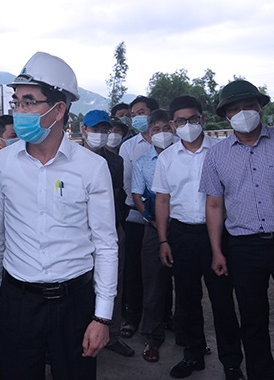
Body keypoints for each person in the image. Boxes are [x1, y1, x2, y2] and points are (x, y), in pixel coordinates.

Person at [0, 51, 118, 379]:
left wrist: (102, 318)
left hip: (75, 302)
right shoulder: (0, 164)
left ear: (58, 110)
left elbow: (106, 244)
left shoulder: (92, 167)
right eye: (16, 102)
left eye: (30, 102)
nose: (19, 111)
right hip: (18, 301)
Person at [154, 95, 244, 379]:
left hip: (217, 235)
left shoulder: (221, 151)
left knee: (222, 300)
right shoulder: (167, 158)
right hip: (181, 234)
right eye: (180, 121)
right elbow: (162, 201)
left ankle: (231, 363)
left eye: (193, 119)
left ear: (203, 119)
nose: (188, 125)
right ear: (172, 124)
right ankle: (193, 354)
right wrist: (164, 240)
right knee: (187, 299)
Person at [200, 79, 274, 380]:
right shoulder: (217, 155)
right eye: (235, 109)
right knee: (253, 320)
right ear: (226, 116)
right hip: (244, 246)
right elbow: (214, 205)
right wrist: (217, 251)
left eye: (249, 106)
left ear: (260, 107)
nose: (243, 113)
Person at [81, 110, 134, 358]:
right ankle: (79, 335)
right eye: (96, 129)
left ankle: (110, 334)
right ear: (83, 130)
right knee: (81, 284)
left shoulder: (115, 161)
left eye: (105, 130)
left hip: (112, 227)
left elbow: (119, 195)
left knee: (114, 280)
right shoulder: (73, 159)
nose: (101, 135)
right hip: (80, 232)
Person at [130, 109, 175, 363]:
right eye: (155, 130)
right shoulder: (143, 162)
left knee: (188, 284)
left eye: (165, 129)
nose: (161, 134)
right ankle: (152, 337)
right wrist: (148, 214)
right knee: (154, 283)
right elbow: (137, 193)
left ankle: (189, 336)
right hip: (152, 227)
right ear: (148, 133)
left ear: (173, 128)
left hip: (182, 227)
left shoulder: (184, 155)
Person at [118, 96, 159, 339]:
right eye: (134, 114)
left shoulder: (171, 143)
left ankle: (164, 317)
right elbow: (127, 184)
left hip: (166, 219)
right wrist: (146, 211)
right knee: (134, 271)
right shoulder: (129, 146)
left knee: (162, 273)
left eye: (142, 112)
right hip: (136, 217)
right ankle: (133, 317)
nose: (137, 118)